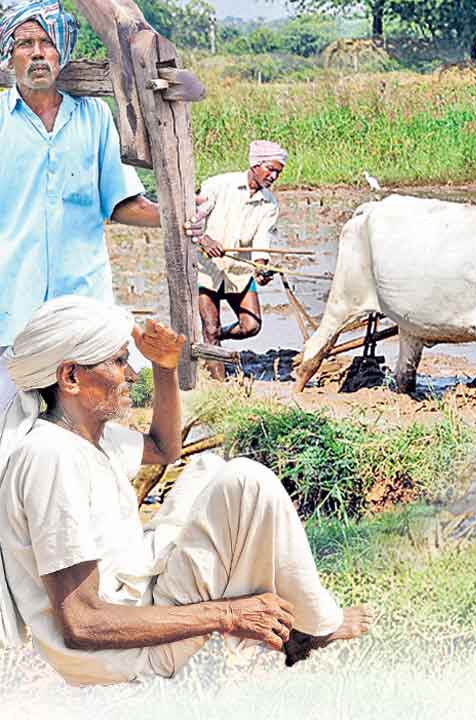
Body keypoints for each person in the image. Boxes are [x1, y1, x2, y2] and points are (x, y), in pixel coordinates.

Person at [0, 296, 372, 686]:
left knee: (206, 471)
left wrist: (165, 369)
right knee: (246, 482)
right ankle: (313, 627)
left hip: (133, 597)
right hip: (118, 654)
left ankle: (297, 616)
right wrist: (229, 614)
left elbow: (164, 448)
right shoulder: (51, 457)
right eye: (120, 362)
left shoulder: (87, 437)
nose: (131, 375)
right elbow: (83, 622)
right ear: (71, 377)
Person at [0, 1, 207, 413]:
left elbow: (120, 204)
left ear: (62, 52)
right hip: (11, 310)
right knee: (8, 436)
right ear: (9, 55)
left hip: (83, 308)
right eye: (25, 43)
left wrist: (178, 217)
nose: (38, 52)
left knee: (85, 433)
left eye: (46, 42)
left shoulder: (93, 116)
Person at [194, 140, 288, 379]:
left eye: (278, 171)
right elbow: (192, 218)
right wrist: (204, 239)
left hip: (239, 271)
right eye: (270, 169)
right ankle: (218, 383)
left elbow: (261, 239)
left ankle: (214, 339)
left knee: (251, 326)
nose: (274, 176)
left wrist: (262, 267)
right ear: (255, 165)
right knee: (210, 328)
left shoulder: (269, 203)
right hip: (207, 269)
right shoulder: (217, 185)